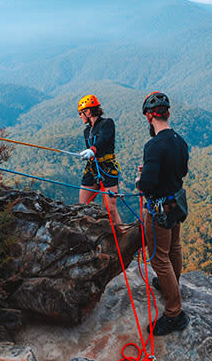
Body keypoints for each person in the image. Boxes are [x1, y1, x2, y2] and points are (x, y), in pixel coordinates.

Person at [135, 91, 190, 336]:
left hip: (159, 210)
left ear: (149, 117)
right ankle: (172, 286)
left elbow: (146, 185)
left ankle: (174, 313)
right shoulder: (179, 140)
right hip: (176, 204)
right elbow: (182, 172)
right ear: (167, 114)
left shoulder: (154, 145)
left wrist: (141, 177)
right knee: (175, 248)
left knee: (159, 258)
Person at [77, 94, 122, 225]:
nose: (80, 116)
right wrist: (88, 153)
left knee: (111, 210)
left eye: (81, 113)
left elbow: (104, 139)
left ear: (88, 111)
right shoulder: (87, 131)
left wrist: (92, 150)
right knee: (83, 207)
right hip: (92, 168)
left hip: (107, 168)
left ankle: (122, 237)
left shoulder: (107, 123)